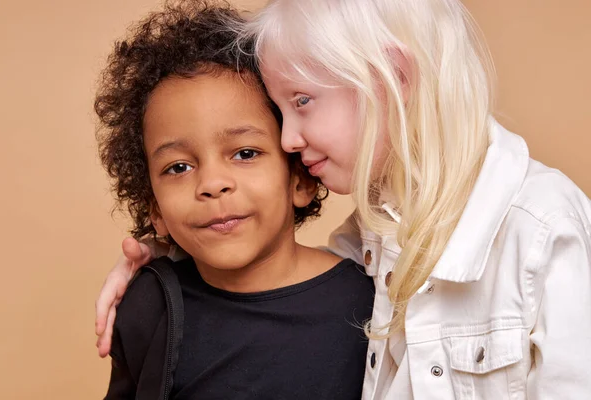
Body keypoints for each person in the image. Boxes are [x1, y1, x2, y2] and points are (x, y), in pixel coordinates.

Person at [96, 0, 591, 398]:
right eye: (179, 168)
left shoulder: (543, 226)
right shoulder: (374, 237)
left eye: (302, 101)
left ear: (393, 77)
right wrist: (165, 260)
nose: (290, 138)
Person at [95, 1, 374, 398]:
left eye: (245, 153)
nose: (212, 183)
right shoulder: (150, 307)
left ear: (299, 176)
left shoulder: (371, 302)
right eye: (178, 167)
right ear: (154, 207)